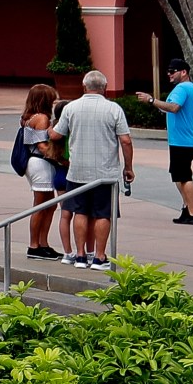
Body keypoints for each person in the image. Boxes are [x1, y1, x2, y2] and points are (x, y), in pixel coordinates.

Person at [49, 69, 133, 269]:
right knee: (104, 213)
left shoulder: (71, 108)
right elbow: (125, 140)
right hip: (105, 172)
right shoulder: (114, 109)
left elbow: (56, 135)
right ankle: (99, 257)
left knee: (80, 212)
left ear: (84, 86)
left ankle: (80, 256)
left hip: (77, 170)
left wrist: (46, 128)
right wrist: (128, 167)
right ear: (104, 88)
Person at [134, 60, 193, 224]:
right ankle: (187, 209)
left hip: (182, 141)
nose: (169, 74)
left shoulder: (181, 88)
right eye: (168, 71)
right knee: (180, 175)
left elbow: (174, 107)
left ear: (184, 72)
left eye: (173, 71)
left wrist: (151, 100)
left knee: (184, 176)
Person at [20, 83, 63, 260]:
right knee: (41, 204)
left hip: (37, 163)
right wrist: (61, 159)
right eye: (52, 99)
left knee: (50, 204)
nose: (54, 103)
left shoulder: (29, 117)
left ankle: (43, 243)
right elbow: (42, 146)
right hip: (40, 162)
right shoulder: (41, 118)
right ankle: (35, 245)